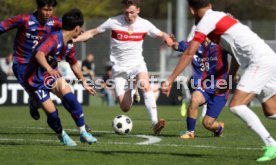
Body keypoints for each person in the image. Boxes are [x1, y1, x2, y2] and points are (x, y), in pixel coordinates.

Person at [162, 0, 276, 162]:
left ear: (192, 10)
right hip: (267, 58)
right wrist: (228, 79)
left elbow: (188, 53)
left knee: (236, 105)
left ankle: (271, 144)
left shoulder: (205, 22)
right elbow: (235, 56)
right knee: (271, 111)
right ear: (209, 4)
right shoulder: (221, 21)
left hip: (259, 62)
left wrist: (170, 79)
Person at [74, 0, 174, 134]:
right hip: (119, 69)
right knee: (125, 107)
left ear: (138, 10)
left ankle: (155, 122)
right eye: (126, 12)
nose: (129, 16)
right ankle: (132, 87)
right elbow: (92, 32)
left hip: (137, 64)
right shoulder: (113, 22)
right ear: (123, 10)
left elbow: (161, 34)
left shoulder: (145, 24)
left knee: (145, 84)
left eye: (132, 12)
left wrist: (167, 38)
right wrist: (73, 40)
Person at [24, 8, 97, 146]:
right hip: (35, 79)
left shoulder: (69, 44)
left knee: (71, 99)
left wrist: (84, 82)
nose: (81, 31)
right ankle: (61, 135)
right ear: (76, 28)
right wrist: (49, 68)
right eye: (80, 29)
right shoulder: (53, 38)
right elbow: (39, 54)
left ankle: (83, 133)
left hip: (51, 75)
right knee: (52, 113)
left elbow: (74, 64)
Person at [0, 0, 61, 120]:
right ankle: (33, 103)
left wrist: (79, 34)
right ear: (38, 8)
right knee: (39, 98)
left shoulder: (55, 22)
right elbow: (2, 26)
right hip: (23, 65)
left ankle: (81, 124)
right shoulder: (24, 19)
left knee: (63, 90)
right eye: (45, 9)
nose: (48, 13)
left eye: (50, 10)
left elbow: (70, 31)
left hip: (43, 64)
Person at [171, 36, 229, 139]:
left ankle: (219, 128)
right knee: (195, 99)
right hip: (204, 86)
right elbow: (177, 46)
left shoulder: (221, 44)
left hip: (220, 88)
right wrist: (172, 42)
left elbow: (236, 51)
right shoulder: (194, 45)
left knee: (207, 123)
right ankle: (190, 132)